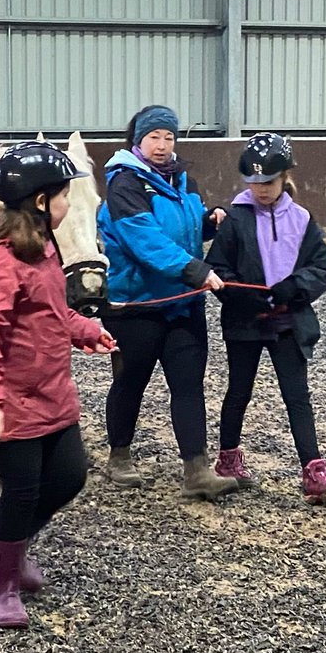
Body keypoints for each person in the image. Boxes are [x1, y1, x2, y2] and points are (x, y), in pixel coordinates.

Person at [0, 141, 117, 630]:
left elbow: (51, 311)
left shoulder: (44, 246)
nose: (69, 204)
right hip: (8, 402)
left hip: (52, 392)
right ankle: (1, 584)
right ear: (39, 201)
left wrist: (85, 330)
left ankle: (7, 544)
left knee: (70, 478)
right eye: (64, 195)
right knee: (22, 493)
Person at [96, 105, 238, 501]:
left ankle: (197, 470)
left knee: (188, 384)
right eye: (154, 137)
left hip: (182, 303)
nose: (162, 145)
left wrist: (211, 221)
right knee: (131, 380)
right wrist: (195, 270)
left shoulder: (182, 179)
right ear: (138, 140)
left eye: (169, 137)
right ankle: (119, 456)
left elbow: (186, 228)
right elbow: (144, 240)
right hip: (137, 305)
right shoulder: (124, 184)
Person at [205, 133, 326, 505]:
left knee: (297, 395)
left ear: (285, 177)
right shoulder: (235, 219)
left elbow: (322, 266)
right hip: (245, 320)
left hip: (289, 319)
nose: (260, 189)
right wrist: (239, 292)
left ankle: (314, 471)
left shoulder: (302, 219)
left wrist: (295, 288)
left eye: (267, 182)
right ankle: (229, 460)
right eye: (253, 183)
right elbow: (217, 268)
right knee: (239, 390)